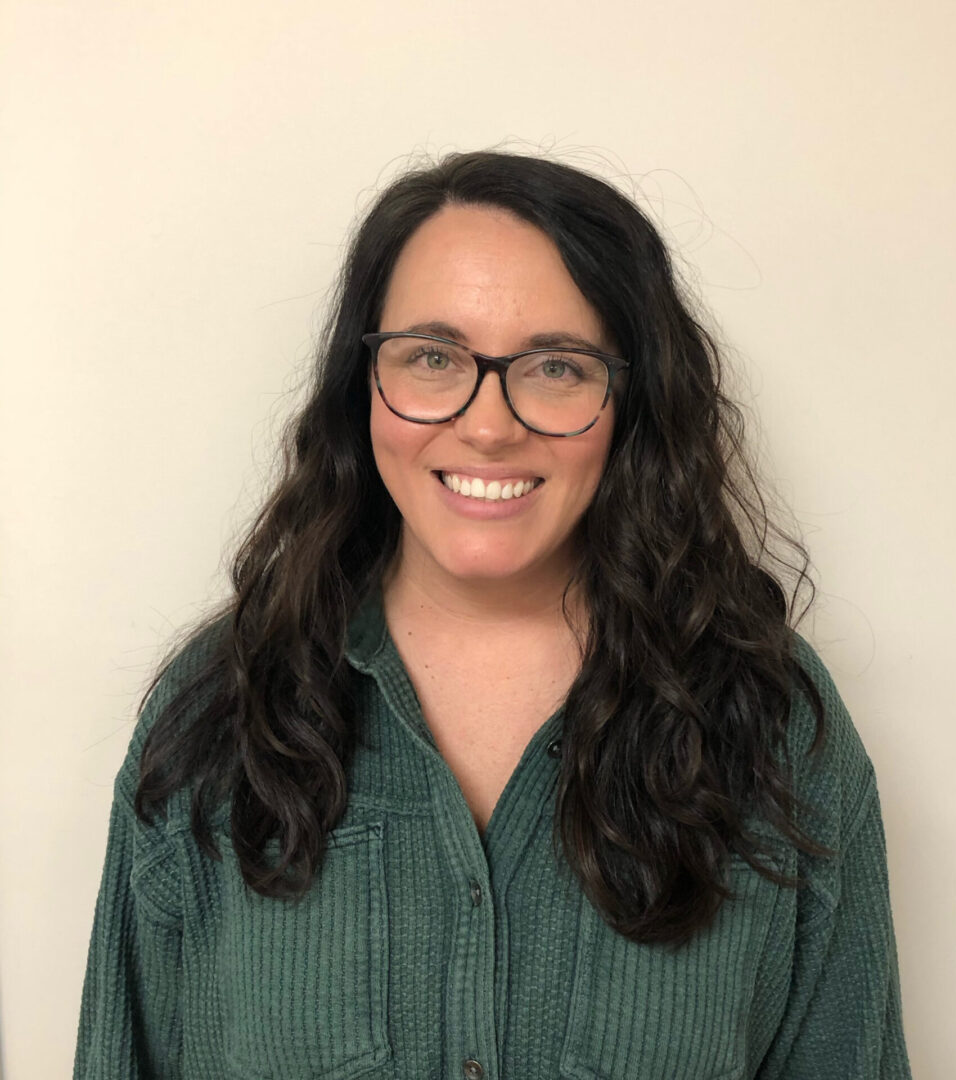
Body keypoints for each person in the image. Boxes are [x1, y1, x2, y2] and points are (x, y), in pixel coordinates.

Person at [75, 150, 912, 1079]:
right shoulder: (218, 705)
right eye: (433, 357)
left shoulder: (771, 720)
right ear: (363, 387)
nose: (489, 424)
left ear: (629, 404)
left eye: (556, 366)